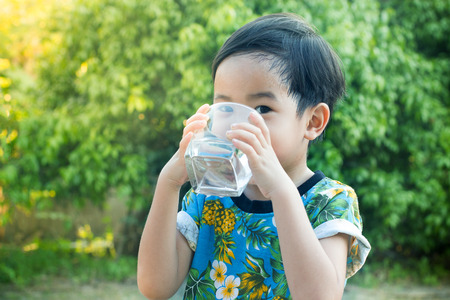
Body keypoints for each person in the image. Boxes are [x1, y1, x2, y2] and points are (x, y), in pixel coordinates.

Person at [137, 13, 371, 299]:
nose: (238, 126)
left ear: (313, 122)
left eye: (261, 109)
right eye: (225, 107)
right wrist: (169, 182)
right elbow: (154, 286)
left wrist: (280, 190)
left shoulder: (330, 203)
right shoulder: (207, 197)